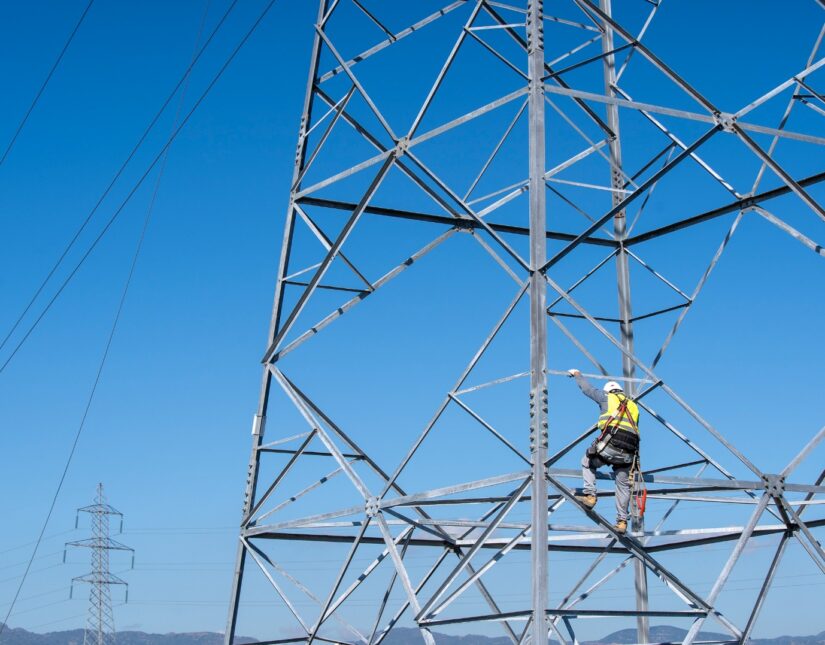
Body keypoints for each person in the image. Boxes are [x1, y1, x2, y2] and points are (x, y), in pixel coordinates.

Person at [567, 369, 640, 534]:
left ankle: (590, 495)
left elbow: (588, 389)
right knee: (623, 485)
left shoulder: (606, 397)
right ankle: (622, 521)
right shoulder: (633, 406)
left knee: (587, 461)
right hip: (629, 452)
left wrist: (578, 375)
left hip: (610, 445)